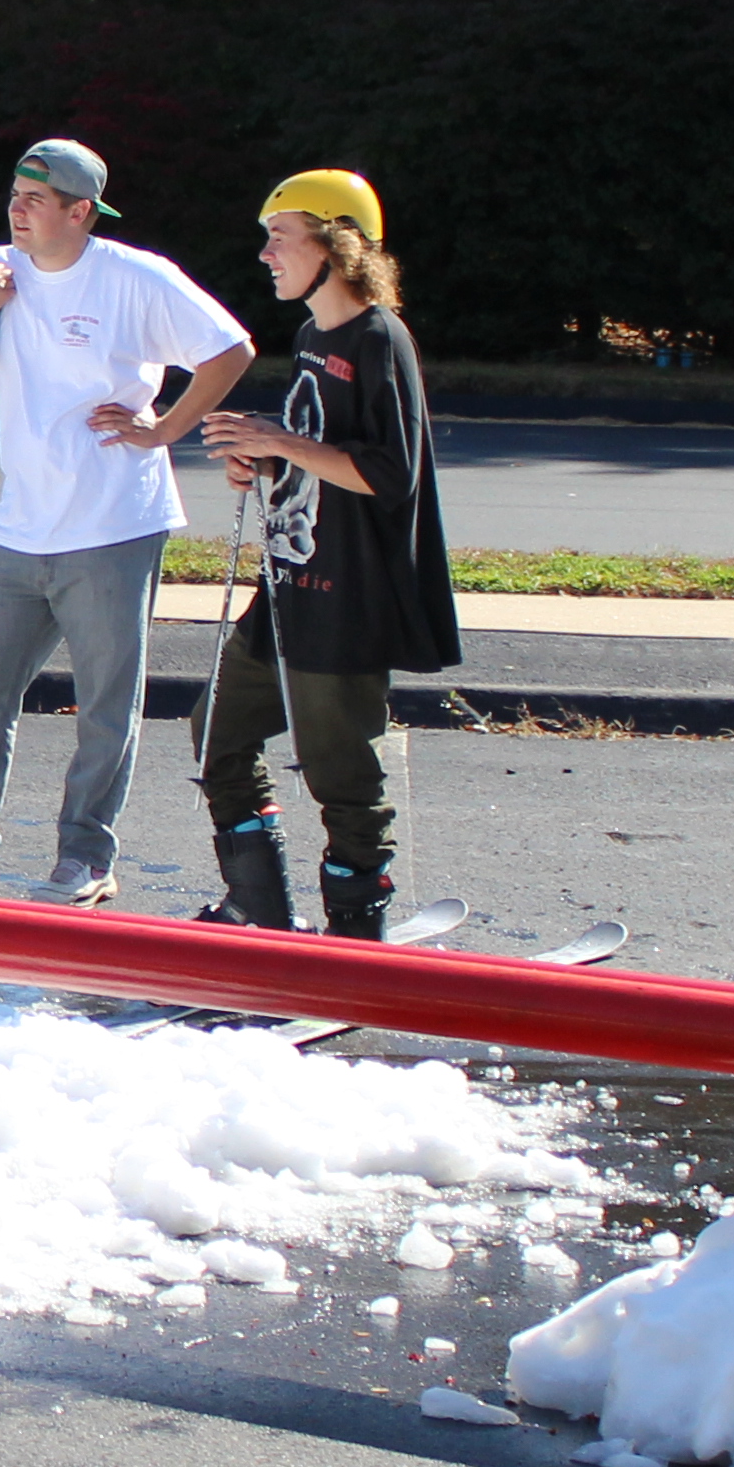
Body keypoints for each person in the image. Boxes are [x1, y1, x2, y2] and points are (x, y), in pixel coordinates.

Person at [0, 136, 258, 902]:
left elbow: (230, 349)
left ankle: (86, 858)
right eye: (14, 192)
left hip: (113, 523)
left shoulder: (135, 278)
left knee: (107, 703)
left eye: (36, 198)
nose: (17, 207)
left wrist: (167, 427)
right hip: (20, 527)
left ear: (81, 211)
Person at [193, 166, 462, 937]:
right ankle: (262, 906)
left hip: (348, 593)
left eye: (280, 238)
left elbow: (388, 473)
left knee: (342, 774)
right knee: (218, 731)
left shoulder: (380, 339)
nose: (266, 255)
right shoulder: (315, 335)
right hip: (289, 583)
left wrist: (283, 442)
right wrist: (265, 458)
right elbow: (321, 449)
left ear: (335, 245)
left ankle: (352, 935)